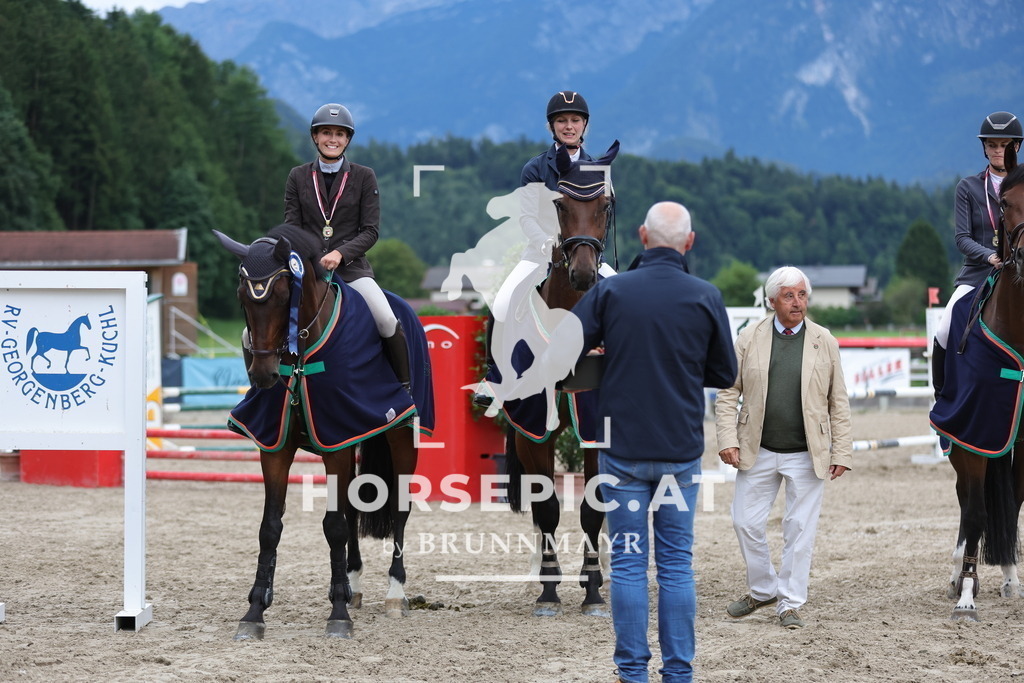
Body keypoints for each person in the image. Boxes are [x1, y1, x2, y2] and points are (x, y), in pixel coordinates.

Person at [510, 201, 736, 682]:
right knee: (677, 566)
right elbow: (724, 372)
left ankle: (632, 672)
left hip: (625, 451)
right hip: (679, 451)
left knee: (630, 565)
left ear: (641, 237)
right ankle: (679, 673)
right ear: (689, 243)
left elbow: (563, 357)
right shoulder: (706, 295)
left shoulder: (611, 293)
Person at [714, 266, 853, 630]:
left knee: (799, 530)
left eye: (802, 295)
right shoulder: (748, 338)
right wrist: (727, 439)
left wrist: (843, 452)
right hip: (756, 448)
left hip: (809, 452)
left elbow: (839, 402)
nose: (797, 302)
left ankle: (789, 603)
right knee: (744, 522)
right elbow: (728, 393)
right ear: (772, 300)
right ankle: (763, 590)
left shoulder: (825, 340)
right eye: (789, 296)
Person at [473, 91, 616, 407]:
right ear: (552, 126)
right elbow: (526, 217)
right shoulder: (535, 168)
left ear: (584, 125)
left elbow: (602, 216)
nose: (569, 126)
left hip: (587, 255)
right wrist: (544, 241)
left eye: (575, 120)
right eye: (562, 121)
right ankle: (494, 378)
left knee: (624, 297)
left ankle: (628, 371)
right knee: (503, 300)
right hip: (541, 252)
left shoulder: (597, 169)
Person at [282, 103, 412, 394]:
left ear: (347, 140)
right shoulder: (298, 176)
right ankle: (263, 390)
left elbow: (371, 231)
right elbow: (292, 227)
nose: (333, 139)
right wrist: (312, 256)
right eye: (326, 132)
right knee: (258, 326)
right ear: (315, 137)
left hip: (352, 270)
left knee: (386, 319)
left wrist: (341, 253)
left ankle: (404, 390)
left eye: (339, 134)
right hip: (308, 270)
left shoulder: (365, 176)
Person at [933, 111, 1023, 397]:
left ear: (1016, 147)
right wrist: (990, 256)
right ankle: (943, 397)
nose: (998, 151)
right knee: (944, 329)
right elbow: (962, 238)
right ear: (984, 147)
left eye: (1005, 145)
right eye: (992, 145)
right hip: (978, 274)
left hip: (1020, 272)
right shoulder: (968, 187)